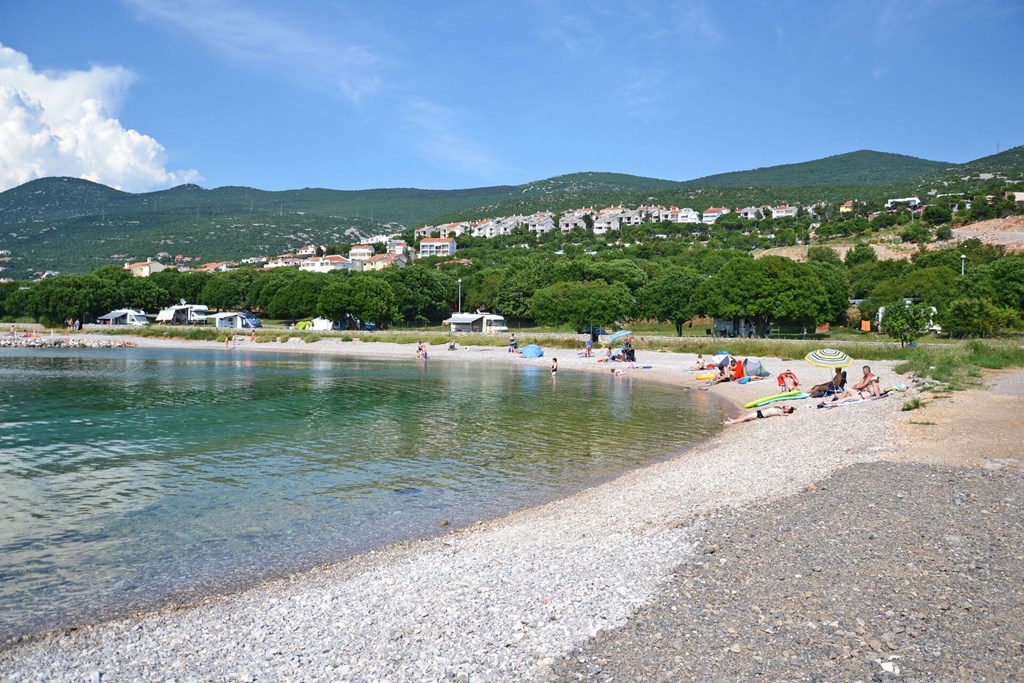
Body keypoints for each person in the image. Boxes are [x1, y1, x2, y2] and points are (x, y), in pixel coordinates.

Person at [724, 404, 795, 425]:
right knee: (745, 418)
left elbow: (784, 415)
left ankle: (731, 422)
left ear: (786, 410)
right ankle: (733, 420)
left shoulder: (781, 412)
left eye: (787, 407)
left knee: (745, 418)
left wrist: (786, 413)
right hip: (760, 413)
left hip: (760, 415)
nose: (786, 405)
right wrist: (794, 408)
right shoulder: (779, 408)